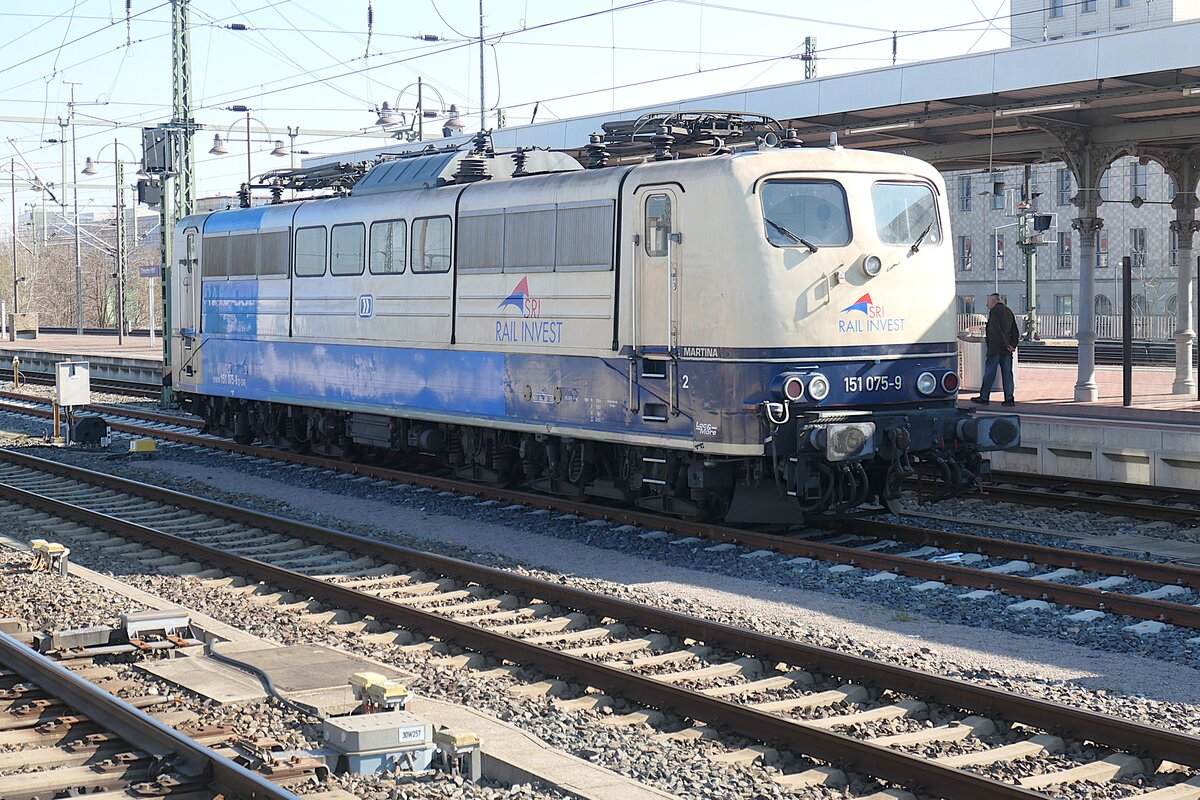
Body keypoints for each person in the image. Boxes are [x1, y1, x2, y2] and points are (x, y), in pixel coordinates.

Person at [971, 293, 1019, 407]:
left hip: (996, 349)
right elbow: (1015, 330)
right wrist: (1012, 345)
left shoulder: (994, 312)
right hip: (1007, 351)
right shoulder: (1008, 311)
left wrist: (1006, 344)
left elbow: (995, 331)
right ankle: (1009, 399)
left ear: (994, 301)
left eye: (988, 302)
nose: (986, 305)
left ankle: (984, 397)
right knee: (1007, 374)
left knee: (989, 374)